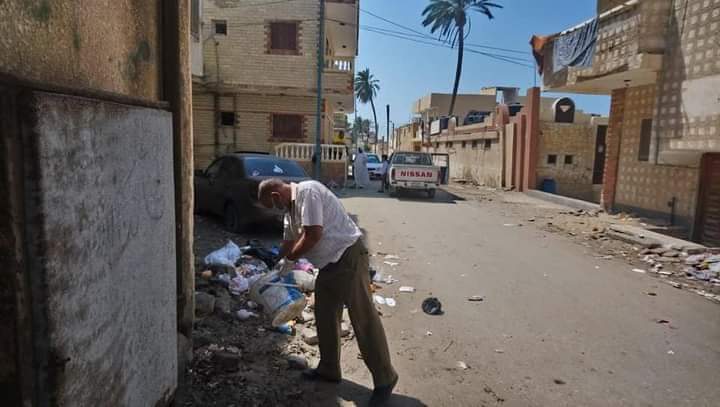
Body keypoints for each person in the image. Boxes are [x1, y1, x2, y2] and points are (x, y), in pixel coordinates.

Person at [258, 179, 399, 406]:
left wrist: (291, 259)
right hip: (328, 266)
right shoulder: (289, 213)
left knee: (363, 318)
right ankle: (329, 368)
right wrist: (275, 266)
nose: (276, 209)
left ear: (276, 195)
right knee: (324, 314)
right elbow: (288, 242)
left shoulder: (308, 192)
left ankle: (385, 378)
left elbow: (313, 234)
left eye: (273, 205)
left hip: (348, 256)